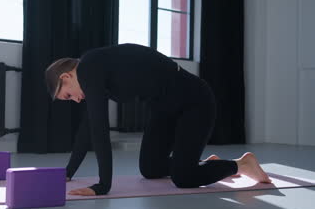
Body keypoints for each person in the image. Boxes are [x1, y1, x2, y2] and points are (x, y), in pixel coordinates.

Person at [45, 43, 271, 196]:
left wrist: (103, 186)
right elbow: (88, 128)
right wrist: (68, 172)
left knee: (183, 178)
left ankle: (240, 165)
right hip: (163, 110)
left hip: (194, 102)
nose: (74, 100)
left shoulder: (89, 66)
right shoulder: (94, 70)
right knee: (150, 169)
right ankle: (207, 166)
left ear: (66, 77)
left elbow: (100, 130)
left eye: (67, 95)